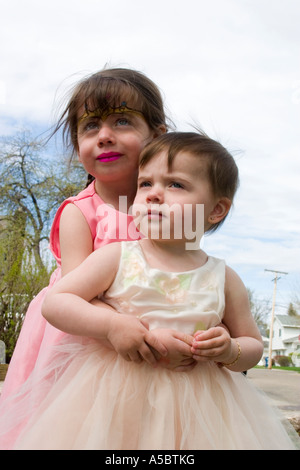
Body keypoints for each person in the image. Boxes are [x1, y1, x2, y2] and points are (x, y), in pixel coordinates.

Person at [5, 131, 296, 449]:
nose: (154, 194)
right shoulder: (118, 257)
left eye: (176, 185)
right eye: (145, 184)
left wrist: (230, 351)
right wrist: (113, 325)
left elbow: (252, 345)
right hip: (113, 399)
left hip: (201, 412)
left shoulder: (224, 277)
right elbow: (58, 301)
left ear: (215, 210)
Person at [0, 68, 199, 449]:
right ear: (78, 147)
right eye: (90, 126)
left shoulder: (174, 209)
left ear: (157, 134)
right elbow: (78, 294)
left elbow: (189, 273)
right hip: (85, 340)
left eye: (122, 120)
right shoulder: (81, 211)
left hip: (161, 343)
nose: (104, 135)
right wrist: (116, 327)